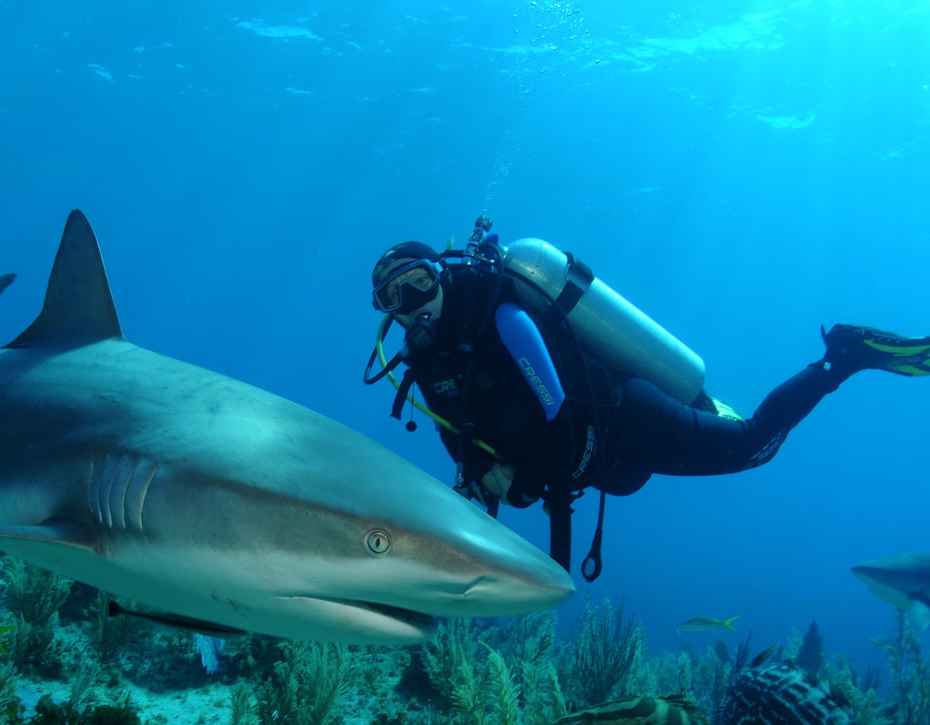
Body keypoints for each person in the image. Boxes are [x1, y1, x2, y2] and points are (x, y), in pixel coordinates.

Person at [364, 217, 930, 580]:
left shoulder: (503, 317)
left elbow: (559, 412)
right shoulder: (428, 365)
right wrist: (481, 478)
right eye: (393, 297)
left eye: (418, 282)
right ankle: (713, 407)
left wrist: (528, 482)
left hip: (627, 421)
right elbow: (459, 439)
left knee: (753, 446)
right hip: (603, 463)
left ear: (441, 274)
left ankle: (842, 356)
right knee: (718, 438)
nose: (411, 303)